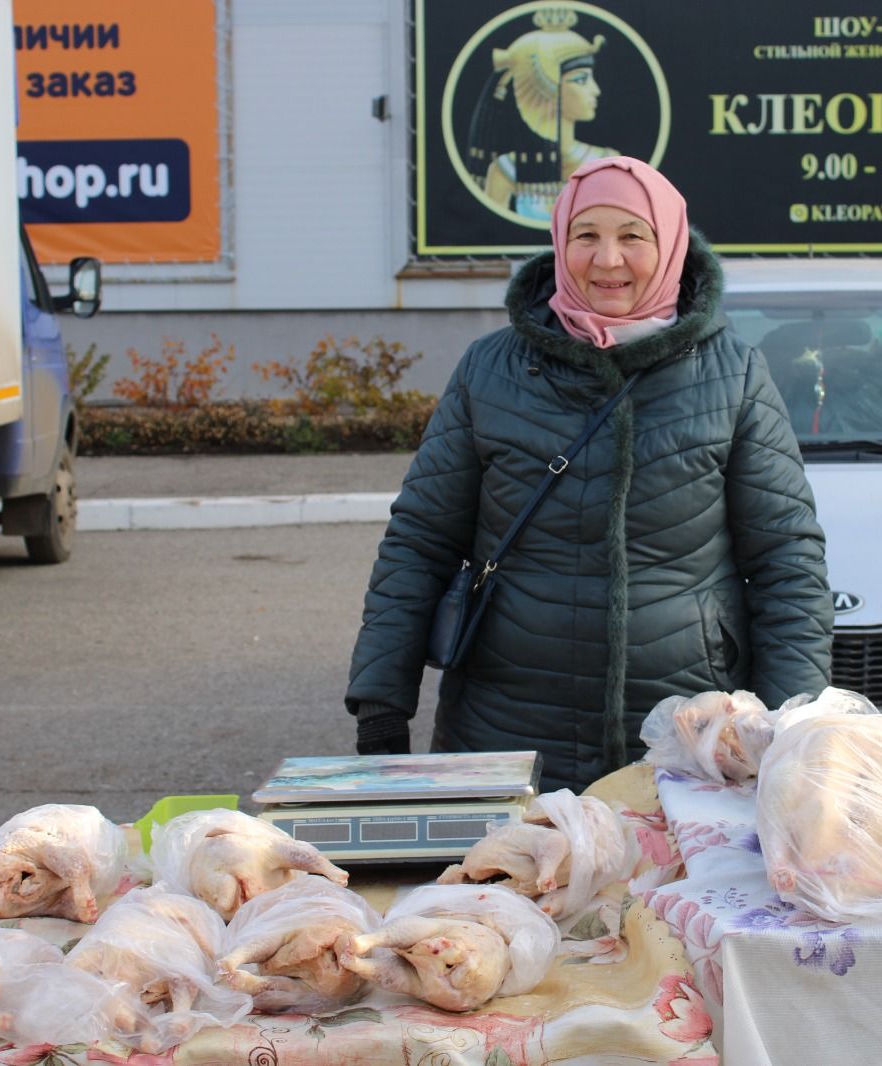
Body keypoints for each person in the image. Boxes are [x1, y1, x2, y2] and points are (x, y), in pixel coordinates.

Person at [346, 156, 834, 792]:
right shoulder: (489, 370)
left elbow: (786, 561)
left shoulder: (732, 375)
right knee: (505, 886)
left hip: (688, 743)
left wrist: (791, 725)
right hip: (503, 737)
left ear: (670, 245)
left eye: (633, 236)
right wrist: (382, 702)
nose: (608, 260)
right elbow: (420, 540)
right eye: (586, 236)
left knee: (668, 894)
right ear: (559, 244)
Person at [464, 9, 618, 223]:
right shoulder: (506, 169)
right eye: (581, 80)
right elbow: (490, 229)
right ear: (545, 90)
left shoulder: (606, 160)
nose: (596, 90)